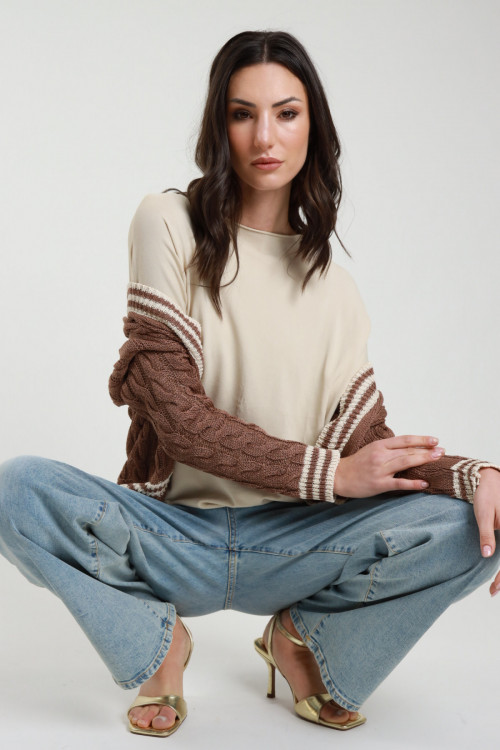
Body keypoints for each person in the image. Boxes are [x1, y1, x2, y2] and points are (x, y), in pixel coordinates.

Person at [0, 29, 499, 739]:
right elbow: (180, 420)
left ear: (313, 127)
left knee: (475, 528)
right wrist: (331, 474)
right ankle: (159, 645)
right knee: (16, 490)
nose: (265, 136)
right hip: (171, 534)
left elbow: (368, 449)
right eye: (242, 114)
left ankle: (302, 641)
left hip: (293, 545)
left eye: (286, 113)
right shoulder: (167, 223)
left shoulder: (334, 290)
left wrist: (478, 476)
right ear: (219, 126)